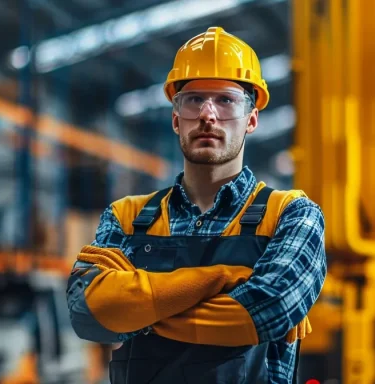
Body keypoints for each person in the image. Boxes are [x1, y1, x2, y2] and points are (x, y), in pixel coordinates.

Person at [66, 26, 327, 384]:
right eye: (193, 100)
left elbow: (267, 311)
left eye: (226, 100)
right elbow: (86, 314)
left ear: (251, 119)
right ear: (176, 119)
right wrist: (221, 278)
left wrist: (135, 312)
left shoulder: (292, 215)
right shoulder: (126, 217)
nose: (208, 114)